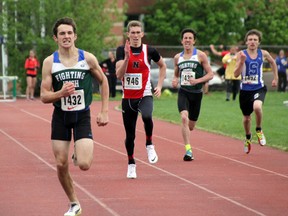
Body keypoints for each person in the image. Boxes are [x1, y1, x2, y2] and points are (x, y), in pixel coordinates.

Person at [40, 17, 109, 216]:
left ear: (75, 36)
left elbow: (104, 82)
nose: (66, 37)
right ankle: (74, 203)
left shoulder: (87, 59)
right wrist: (60, 93)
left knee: (85, 165)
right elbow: (44, 96)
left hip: (82, 116)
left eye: (69, 33)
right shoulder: (49, 62)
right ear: (55, 38)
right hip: (60, 116)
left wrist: (104, 110)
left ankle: (78, 151)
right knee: (61, 164)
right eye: (62, 33)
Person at [115, 20, 166, 179]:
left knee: (147, 115)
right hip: (128, 98)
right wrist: (126, 58)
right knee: (130, 136)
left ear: (142, 34)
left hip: (145, 93)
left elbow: (162, 66)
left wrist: (159, 85)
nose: (136, 35)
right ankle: (131, 163)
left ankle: (149, 144)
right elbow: (118, 75)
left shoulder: (149, 50)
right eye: (133, 33)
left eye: (138, 32)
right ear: (128, 34)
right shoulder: (121, 50)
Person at [172, 28, 214, 161]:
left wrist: (198, 80)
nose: (188, 40)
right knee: (184, 118)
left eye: (190, 38)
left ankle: (188, 136)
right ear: (182, 40)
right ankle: (188, 150)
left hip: (196, 94)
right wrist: (174, 79)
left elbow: (210, 74)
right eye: (185, 38)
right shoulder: (177, 57)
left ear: (194, 41)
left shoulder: (200, 55)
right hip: (183, 92)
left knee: (191, 126)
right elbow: (176, 73)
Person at [234, 29, 278, 154]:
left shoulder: (263, 53)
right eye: (250, 40)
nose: (252, 42)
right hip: (245, 90)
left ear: (258, 42)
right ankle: (248, 137)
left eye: (255, 40)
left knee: (257, 107)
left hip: (259, 87)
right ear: (246, 42)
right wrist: (242, 62)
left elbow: (273, 62)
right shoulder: (240, 54)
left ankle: (259, 130)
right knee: (247, 118)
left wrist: (276, 78)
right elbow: (236, 74)